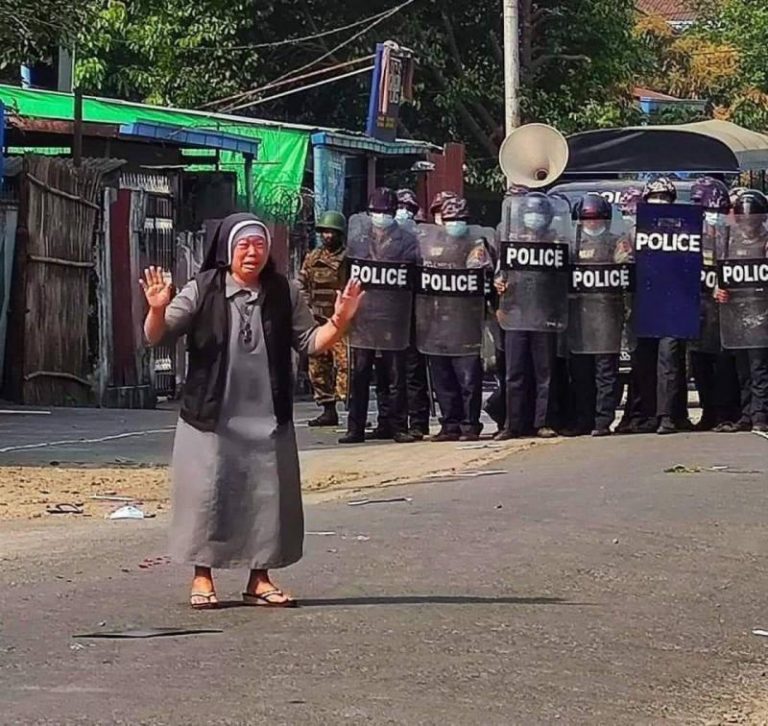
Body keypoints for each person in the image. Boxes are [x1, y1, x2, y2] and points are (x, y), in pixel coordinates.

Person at [141, 213, 363, 609]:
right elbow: (157, 336)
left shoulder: (283, 291)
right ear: (228, 250)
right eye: (243, 245)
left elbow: (311, 343)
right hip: (211, 416)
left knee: (266, 499)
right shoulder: (203, 288)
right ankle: (202, 578)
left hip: (267, 415)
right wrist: (157, 309)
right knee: (207, 497)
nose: (252, 252)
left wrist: (341, 320)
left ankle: (259, 580)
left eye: (259, 244)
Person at [340, 188, 419, 444]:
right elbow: (346, 273)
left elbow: (414, 276)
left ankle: (396, 426)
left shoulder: (407, 240)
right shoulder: (358, 238)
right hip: (363, 318)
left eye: (385, 212)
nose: (380, 217)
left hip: (393, 318)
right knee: (360, 375)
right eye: (376, 212)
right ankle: (355, 428)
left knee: (395, 376)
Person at [416, 197, 492, 441]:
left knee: (468, 380)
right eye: (450, 220)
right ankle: (449, 425)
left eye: (458, 220)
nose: (453, 224)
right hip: (435, 323)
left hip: (466, 324)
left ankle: (470, 425)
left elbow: (484, 273)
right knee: (443, 379)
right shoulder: (428, 244)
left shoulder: (476, 244)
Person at [495, 192, 569, 440]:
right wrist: (499, 283)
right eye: (529, 213)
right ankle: (512, 424)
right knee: (514, 372)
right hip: (515, 313)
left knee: (544, 373)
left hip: (544, 315)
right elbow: (499, 273)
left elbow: (563, 279)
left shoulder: (556, 241)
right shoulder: (511, 239)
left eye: (538, 214)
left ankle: (544, 422)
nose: (533, 218)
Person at [625, 177, 692, 435]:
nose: (660, 202)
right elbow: (622, 261)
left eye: (665, 197)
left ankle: (667, 416)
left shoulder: (685, 230)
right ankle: (649, 414)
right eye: (655, 197)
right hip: (645, 306)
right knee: (644, 362)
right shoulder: (634, 232)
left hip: (674, 307)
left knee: (670, 362)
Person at [565, 193, 627, 436]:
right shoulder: (571, 244)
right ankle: (583, 419)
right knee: (581, 373)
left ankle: (603, 421)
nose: (592, 223)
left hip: (607, 317)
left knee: (606, 373)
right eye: (587, 218)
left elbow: (626, 269)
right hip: (578, 319)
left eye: (597, 218)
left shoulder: (616, 242)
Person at [688, 178, 741, 431]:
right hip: (698, 311)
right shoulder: (690, 237)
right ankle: (709, 413)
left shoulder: (733, 234)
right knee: (699, 363)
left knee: (724, 366)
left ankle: (725, 415)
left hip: (725, 313)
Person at [715, 189, 768, 433]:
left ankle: (760, 415)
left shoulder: (766, 241)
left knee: (759, 368)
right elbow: (720, 274)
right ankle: (746, 414)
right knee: (743, 369)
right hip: (736, 315)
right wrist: (718, 289)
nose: (748, 223)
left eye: (753, 218)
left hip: (762, 313)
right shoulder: (729, 242)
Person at [298, 210, 349, 427]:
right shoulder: (313, 258)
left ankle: (353, 412)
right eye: (324, 232)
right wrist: (307, 308)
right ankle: (328, 410)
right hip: (318, 321)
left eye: (332, 232)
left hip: (342, 321)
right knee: (318, 367)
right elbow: (301, 284)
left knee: (346, 366)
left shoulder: (348, 258)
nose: (328, 236)